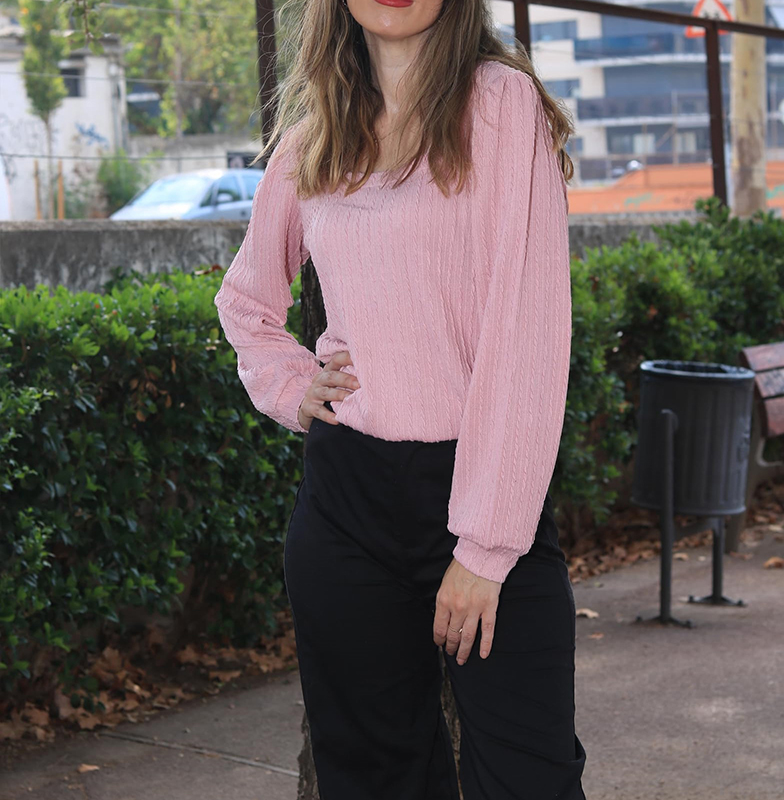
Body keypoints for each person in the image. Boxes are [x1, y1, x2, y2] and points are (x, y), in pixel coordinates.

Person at [213, 0, 587, 797]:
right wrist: (291, 386)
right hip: (345, 503)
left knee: (530, 778)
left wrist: (485, 550)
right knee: (373, 779)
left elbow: (526, 331)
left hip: (480, 490)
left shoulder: (500, 103)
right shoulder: (313, 139)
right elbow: (245, 301)